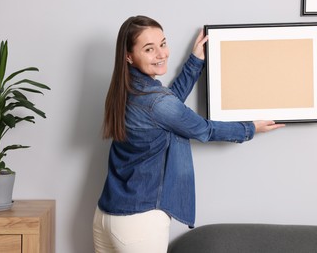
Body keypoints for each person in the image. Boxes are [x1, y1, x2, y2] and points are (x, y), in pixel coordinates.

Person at [93, 15, 285, 253]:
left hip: (105, 216)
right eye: (149, 49)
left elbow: (170, 110)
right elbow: (204, 129)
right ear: (129, 56)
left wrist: (195, 61)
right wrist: (250, 128)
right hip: (138, 224)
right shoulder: (156, 102)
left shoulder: (125, 91)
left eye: (163, 43)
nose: (162, 54)